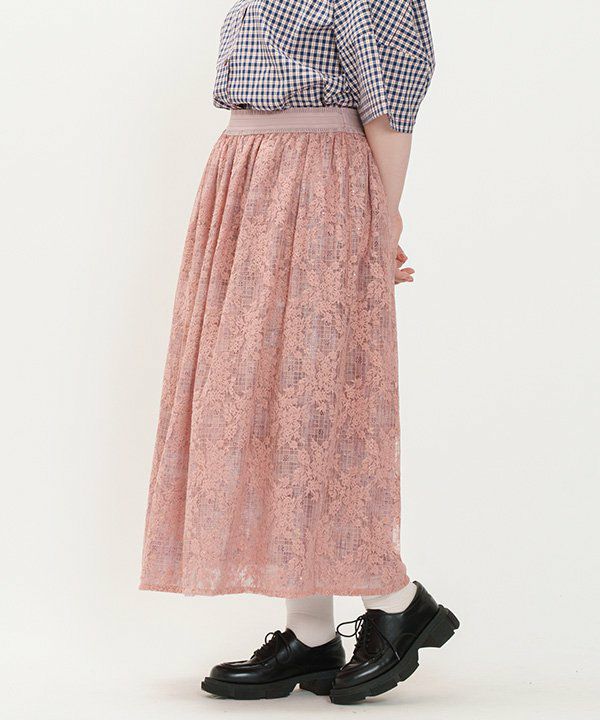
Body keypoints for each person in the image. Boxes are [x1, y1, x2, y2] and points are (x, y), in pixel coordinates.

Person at [140, 0, 458, 704]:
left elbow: (389, 106)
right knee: (265, 404)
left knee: (320, 403)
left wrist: (380, 222)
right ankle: (310, 633)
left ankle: (398, 600)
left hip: (318, 183)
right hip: (244, 180)